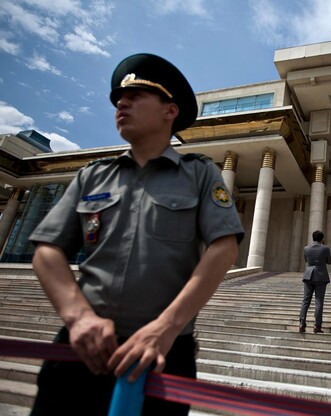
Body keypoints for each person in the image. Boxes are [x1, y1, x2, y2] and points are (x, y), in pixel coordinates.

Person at [27, 53, 245, 416]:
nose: (121, 103)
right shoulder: (92, 176)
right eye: (117, 99)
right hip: (82, 348)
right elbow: (47, 249)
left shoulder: (199, 174)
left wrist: (167, 327)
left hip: (162, 353)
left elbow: (223, 248)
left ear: (169, 110)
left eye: (136, 95)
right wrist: (78, 316)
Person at [299, 230, 331, 334]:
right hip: (321, 276)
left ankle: (302, 323)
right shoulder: (325, 248)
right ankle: (317, 325)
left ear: (313, 238)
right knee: (319, 301)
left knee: (305, 301)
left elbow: (306, 260)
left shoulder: (306, 248)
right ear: (322, 239)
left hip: (308, 275)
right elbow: (329, 261)